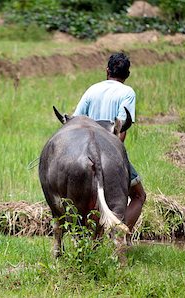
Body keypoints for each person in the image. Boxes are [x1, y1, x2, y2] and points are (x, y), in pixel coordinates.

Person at [72, 52, 146, 241]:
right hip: (110, 153)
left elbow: (75, 121)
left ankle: (88, 241)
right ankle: (118, 235)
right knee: (138, 196)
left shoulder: (92, 89)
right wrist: (113, 153)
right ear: (127, 74)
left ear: (107, 70)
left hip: (84, 154)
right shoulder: (127, 93)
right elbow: (121, 126)